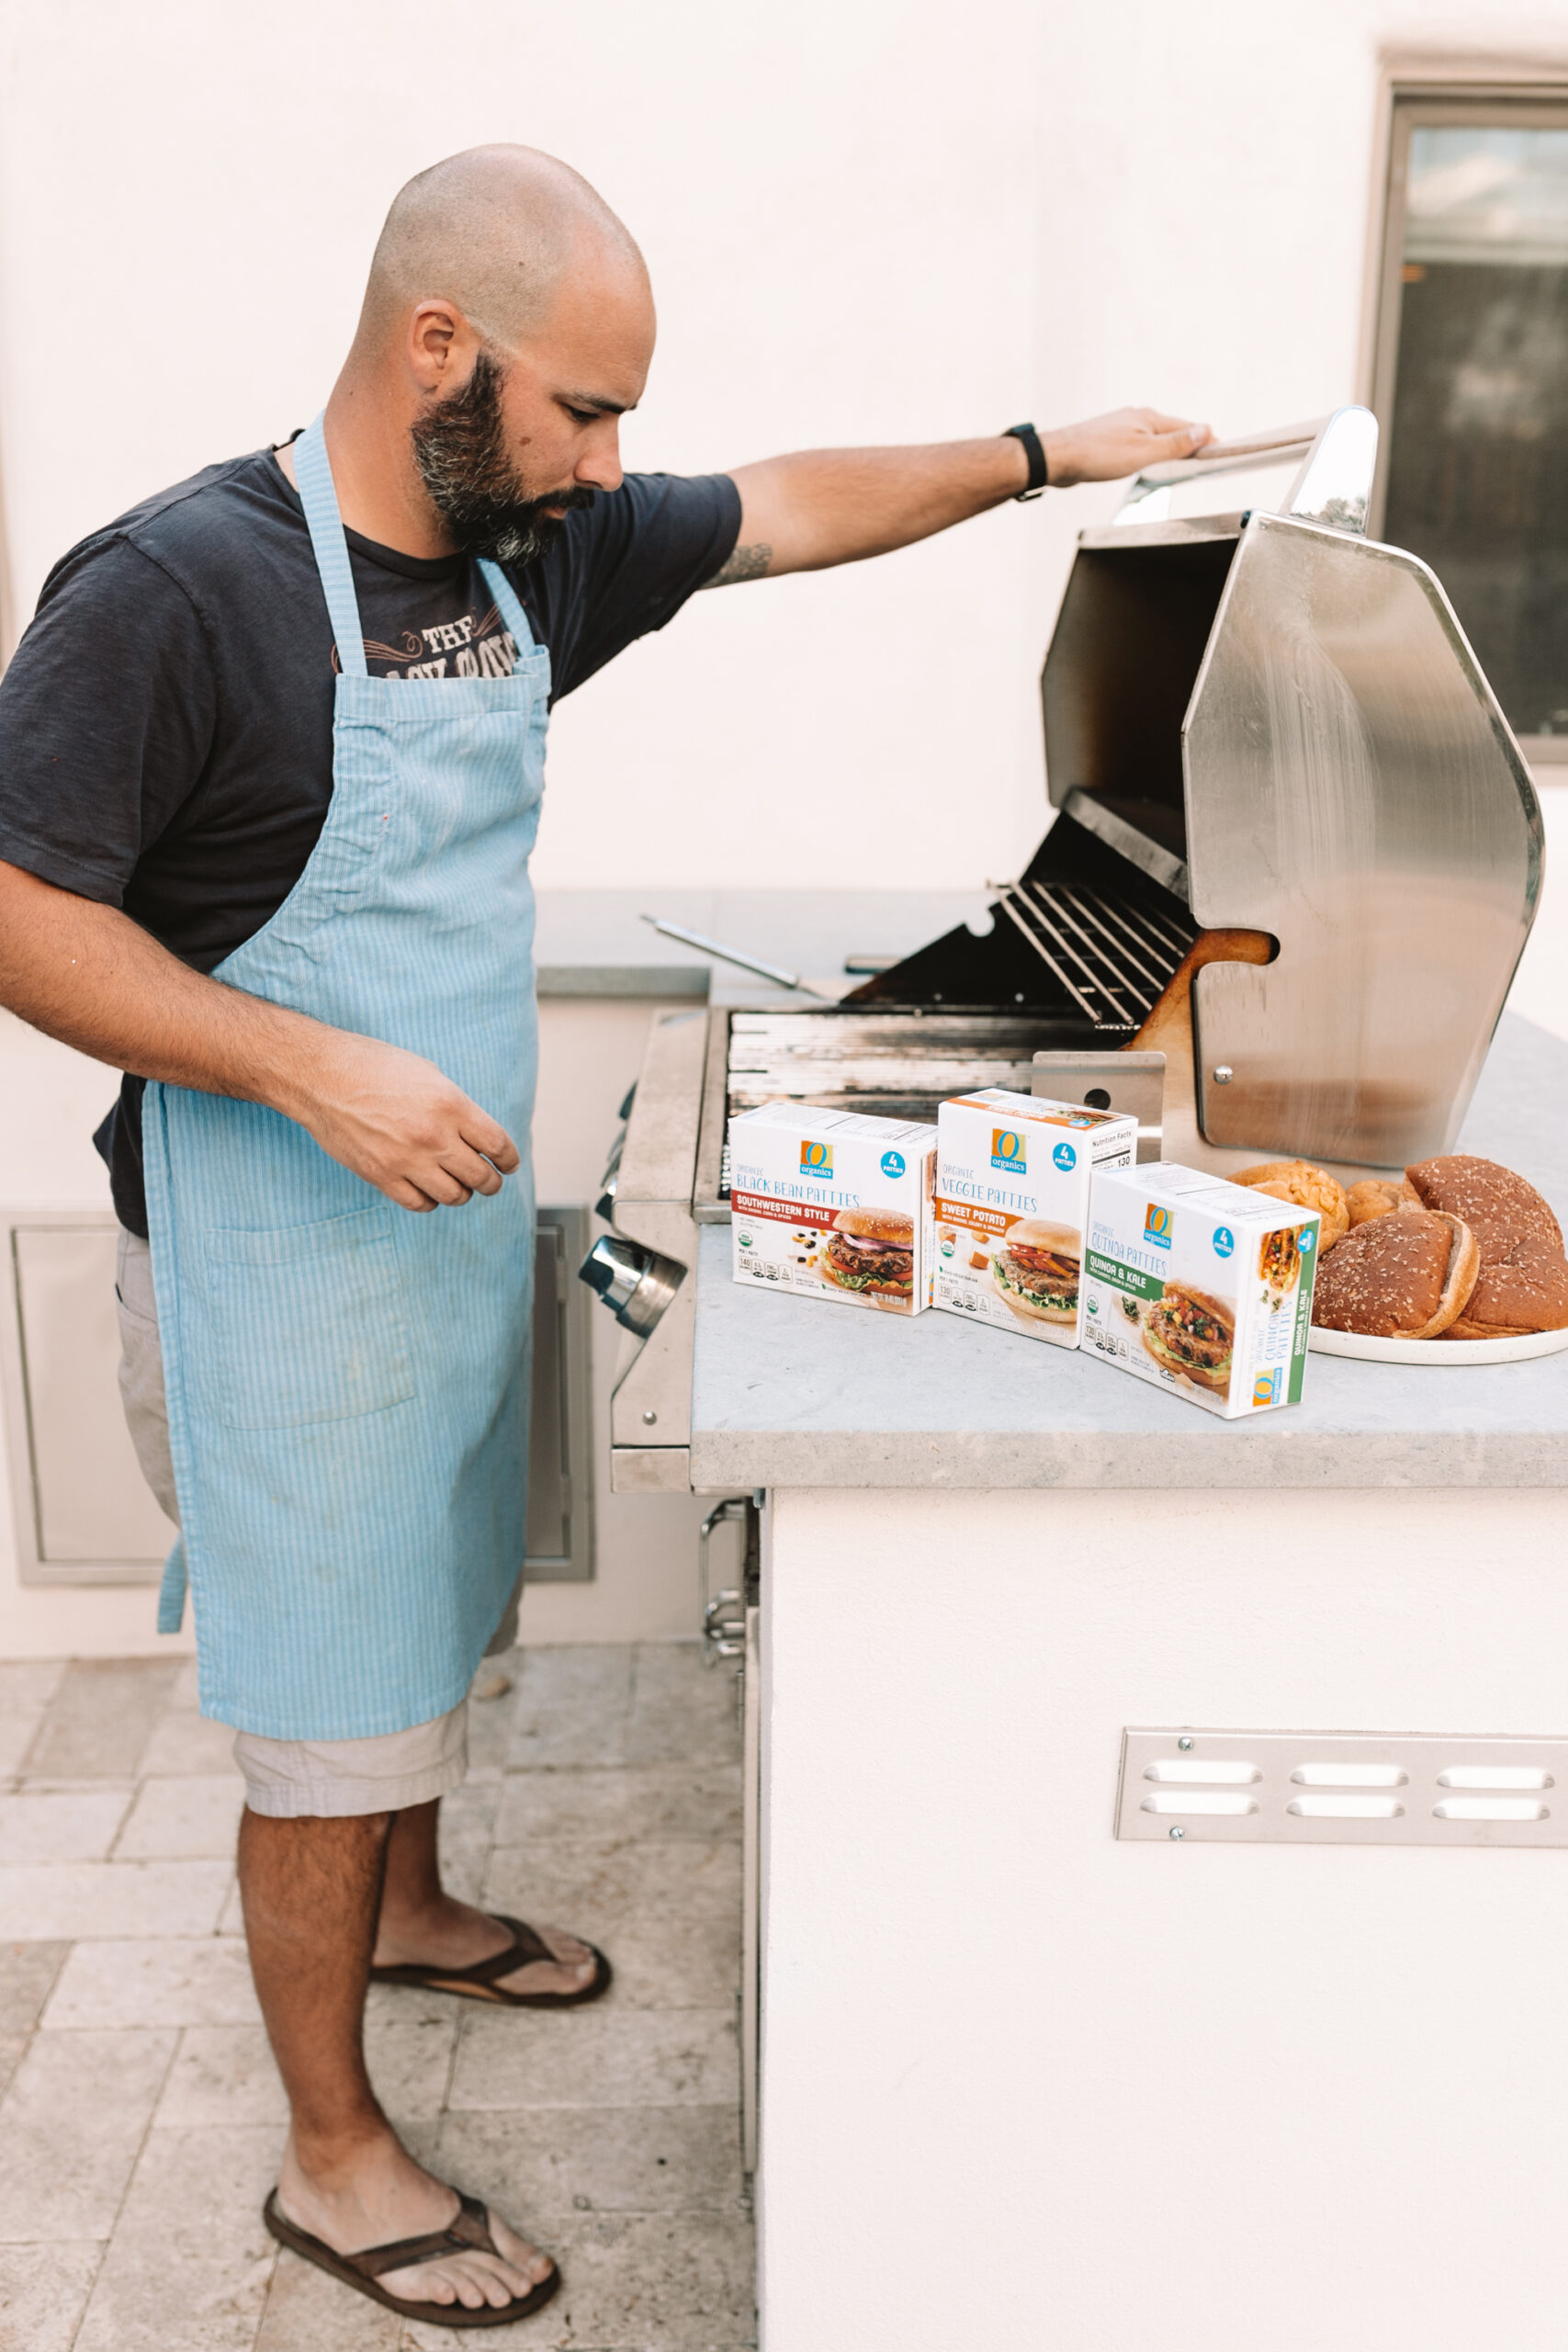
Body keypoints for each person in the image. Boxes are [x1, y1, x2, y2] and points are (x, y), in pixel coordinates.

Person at [0, 144, 1211, 2328]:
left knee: (438, 1613)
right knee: (322, 1710)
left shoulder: (521, 544)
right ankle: (330, 2149)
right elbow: (18, 906)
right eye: (583, 411)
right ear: (437, 348)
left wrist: (1047, 455)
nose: (611, 462)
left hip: (443, 1232)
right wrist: (303, 1063)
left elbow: (794, 503)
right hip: (273, 1257)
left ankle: (416, 1900)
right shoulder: (184, 588)